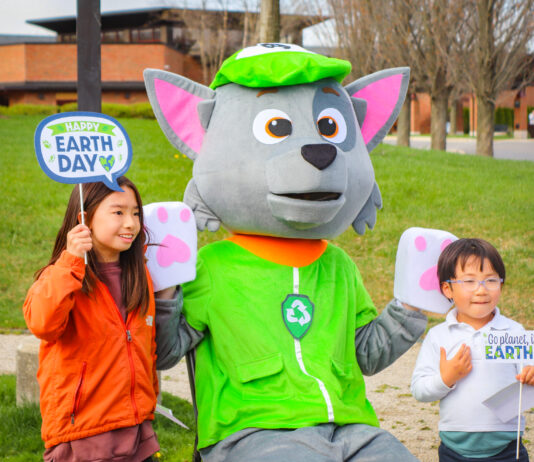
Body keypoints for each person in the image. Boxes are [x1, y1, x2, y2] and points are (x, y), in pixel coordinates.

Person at [23, 177, 159, 462]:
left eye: (135, 213)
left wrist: (148, 399)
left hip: (136, 430)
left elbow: (147, 345)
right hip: (82, 435)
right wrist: (72, 261)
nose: (131, 223)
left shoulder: (139, 275)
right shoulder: (61, 275)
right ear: (85, 218)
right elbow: (42, 324)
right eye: (118, 212)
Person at [411, 238, 534, 462]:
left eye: (491, 280)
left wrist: (531, 376)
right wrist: (447, 377)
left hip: (507, 449)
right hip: (454, 450)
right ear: (447, 288)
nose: (481, 290)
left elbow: (529, 379)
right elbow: (419, 390)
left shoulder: (512, 331)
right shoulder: (439, 337)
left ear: (501, 284)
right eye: (469, 281)